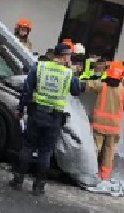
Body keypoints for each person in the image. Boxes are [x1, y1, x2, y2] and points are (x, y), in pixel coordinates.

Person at [13, 42, 84, 195]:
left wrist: (21, 108)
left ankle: (18, 180)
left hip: (36, 113)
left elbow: (27, 89)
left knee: (28, 147)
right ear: (65, 56)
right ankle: (38, 186)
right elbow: (76, 91)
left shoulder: (40, 67)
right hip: (54, 118)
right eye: (69, 56)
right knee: (45, 152)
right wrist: (73, 72)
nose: (69, 59)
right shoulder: (68, 73)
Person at [84, 61, 124, 184]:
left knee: (95, 149)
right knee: (109, 152)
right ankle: (105, 176)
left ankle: (91, 173)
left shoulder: (102, 86)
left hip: (99, 124)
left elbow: (87, 86)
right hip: (114, 127)